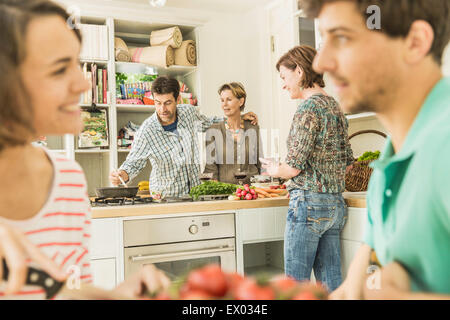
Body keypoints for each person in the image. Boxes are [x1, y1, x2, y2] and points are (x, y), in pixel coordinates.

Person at [0, 0, 169, 299]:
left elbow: (68, 289)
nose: (83, 83)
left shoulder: (67, 179)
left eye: (76, 65)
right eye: (59, 69)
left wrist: (115, 296)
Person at [299, 0, 450, 299]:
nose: (320, 63)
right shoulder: (388, 164)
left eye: (342, 37)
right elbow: (353, 290)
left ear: (415, 42)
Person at [261, 45, 353, 292]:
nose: (283, 84)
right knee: (331, 284)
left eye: (284, 76)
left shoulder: (308, 108)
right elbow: (348, 163)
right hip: (335, 206)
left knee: (295, 287)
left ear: (299, 71)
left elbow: (292, 168)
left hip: (308, 205)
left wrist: (272, 169)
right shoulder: (335, 106)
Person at [110, 76, 259, 197]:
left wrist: (238, 117)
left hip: (194, 194)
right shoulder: (147, 131)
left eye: (168, 103)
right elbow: (133, 163)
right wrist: (122, 175)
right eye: (158, 103)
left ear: (178, 99)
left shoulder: (188, 113)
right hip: (166, 198)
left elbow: (208, 122)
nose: (162, 109)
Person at [203, 82, 263, 185]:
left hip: (251, 192)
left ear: (241, 101)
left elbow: (259, 163)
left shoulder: (253, 128)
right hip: (227, 194)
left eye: (229, 100)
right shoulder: (213, 131)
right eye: (222, 100)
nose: (224, 104)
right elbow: (211, 169)